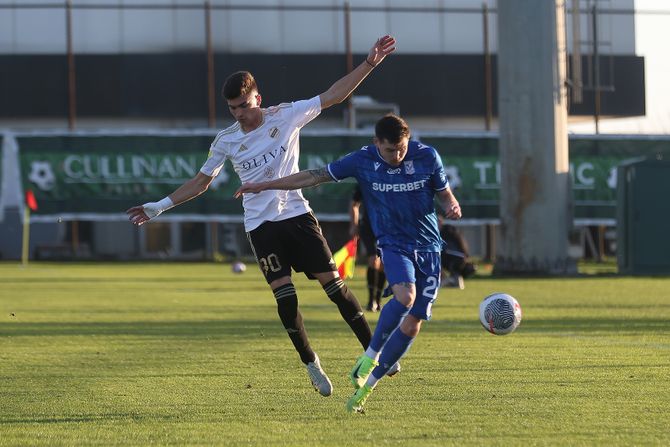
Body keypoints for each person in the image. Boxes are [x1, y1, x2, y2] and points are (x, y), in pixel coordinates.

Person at [126, 35, 397, 398]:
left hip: (297, 215)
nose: (239, 114)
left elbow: (334, 95)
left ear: (258, 97)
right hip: (260, 226)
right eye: (233, 109)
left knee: (336, 288)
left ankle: (375, 352)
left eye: (243, 105)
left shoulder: (287, 115)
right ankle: (311, 363)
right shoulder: (226, 140)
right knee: (286, 300)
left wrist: (369, 64)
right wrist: (158, 206)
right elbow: (200, 183)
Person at [234, 114, 462, 413]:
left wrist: (451, 204)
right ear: (376, 143)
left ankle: (372, 377)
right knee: (405, 297)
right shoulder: (362, 160)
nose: (397, 156)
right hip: (393, 244)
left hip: (429, 246)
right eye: (390, 150)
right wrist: (265, 185)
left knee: (414, 320)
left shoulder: (428, 157)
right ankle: (366, 354)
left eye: (402, 149)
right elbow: (313, 176)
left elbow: (445, 194)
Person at [350, 185, 386, 312]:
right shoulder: (365, 180)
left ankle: (378, 299)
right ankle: (371, 301)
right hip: (368, 228)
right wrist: (354, 225)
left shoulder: (390, 179)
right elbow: (355, 204)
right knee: (372, 260)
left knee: (383, 263)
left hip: (387, 227)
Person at [439, 221, 477, 289]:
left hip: (458, 258)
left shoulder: (446, 230)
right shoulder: (452, 231)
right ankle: (453, 280)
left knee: (436, 258)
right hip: (460, 257)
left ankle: (445, 279)